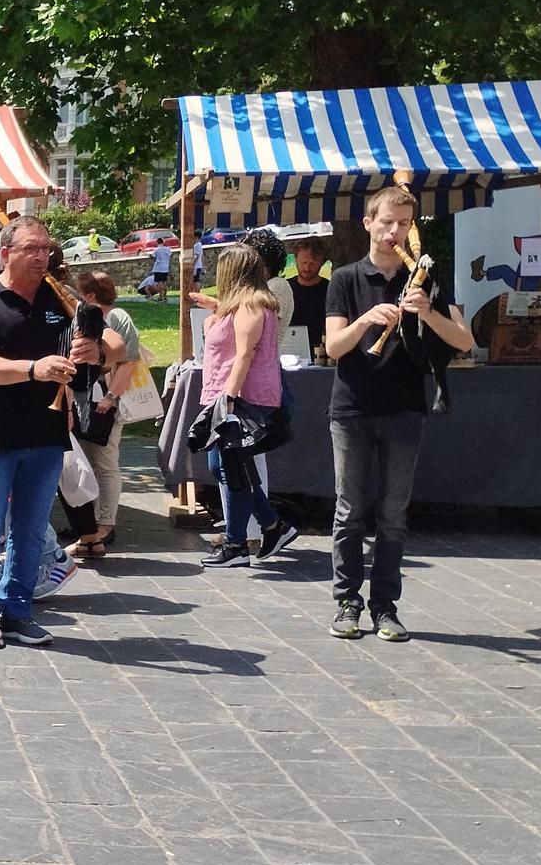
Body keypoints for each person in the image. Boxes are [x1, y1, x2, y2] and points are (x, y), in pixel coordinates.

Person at [323, 186, 473, 641]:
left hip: (405, 407)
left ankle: (385, 607)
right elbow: (333, 347)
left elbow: (464, 341)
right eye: (387, 222)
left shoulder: (424, 278)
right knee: (349, 511)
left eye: (404, 224)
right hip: (351, 407)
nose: (394, 232)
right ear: (369, 223)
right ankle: (346, 602)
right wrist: (367, 320)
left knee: (393, 513)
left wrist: (427, 313)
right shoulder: (346, 278)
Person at [0, 216, 99, 647]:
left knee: (31, 528)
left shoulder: (60, 299)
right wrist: (34, 370)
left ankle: (16, 609)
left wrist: (91, 350)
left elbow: (106, 347)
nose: (42, 257)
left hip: (47, 431)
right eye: (32, 249)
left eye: (46, 249)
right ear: (6, 253)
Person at [197, 245, 298, 568]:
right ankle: (272, 524)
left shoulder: (252, 306)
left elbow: (245, 354)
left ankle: (236, 543)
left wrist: (228, 397)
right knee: (225, 467)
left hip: (243, 398)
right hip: (233, 396)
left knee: (231, 469)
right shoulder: (243, 306)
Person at [68, 271, 142, 556]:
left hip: (105, 400)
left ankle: (105, 524)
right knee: (87, 461)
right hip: (86, 399)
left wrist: (111, 397)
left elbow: (128, 361)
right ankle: (89, 523)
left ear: (88, 295)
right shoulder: (82, 317)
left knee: (106, 461)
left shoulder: (117, 318)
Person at [287, 239, 331, 355]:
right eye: (303, 262)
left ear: (321, 262)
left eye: (312, 263)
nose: (307, 268)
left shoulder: (331, 290)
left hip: (322, 353)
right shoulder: (285, 289)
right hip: (290, 351)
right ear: (296, 260)